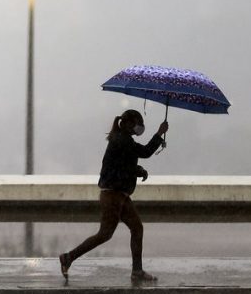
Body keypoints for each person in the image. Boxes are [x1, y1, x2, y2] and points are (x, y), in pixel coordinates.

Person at [58, 109, 168, 282]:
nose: (139, 127)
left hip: (120, 195)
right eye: (136, 123)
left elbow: (125, 165)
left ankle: (137, 271)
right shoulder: (122, 140)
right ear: (127, 124)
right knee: (105, 234)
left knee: (136, 228)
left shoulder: (122, 140)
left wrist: (138, 170)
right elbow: (145, 152)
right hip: (113, 196)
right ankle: (68, 257)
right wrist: (159, 134)